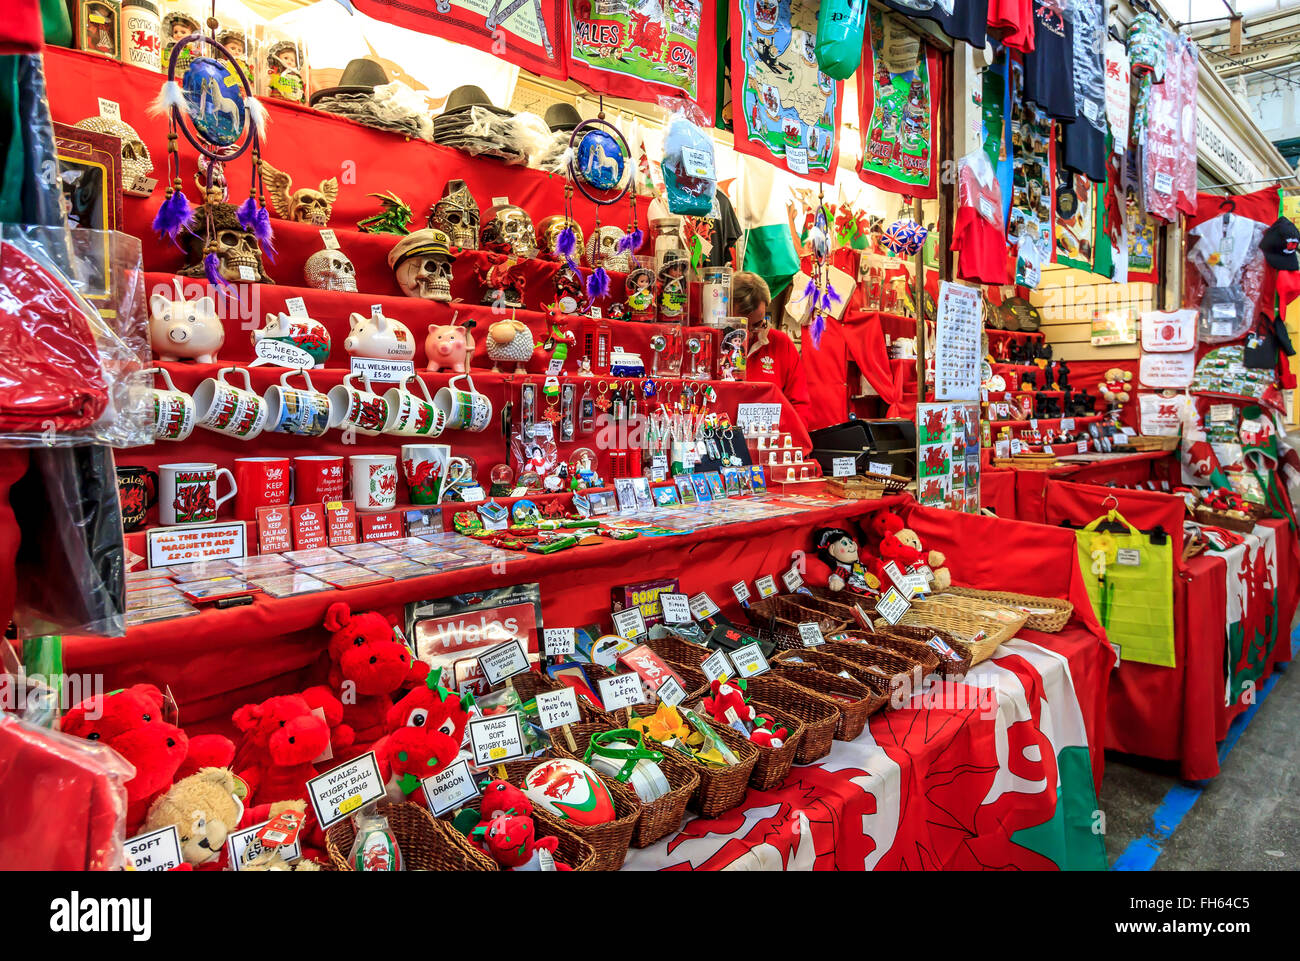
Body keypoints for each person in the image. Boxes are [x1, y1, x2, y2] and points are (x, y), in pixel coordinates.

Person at [732, 271, 812, 427]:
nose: (748, 333)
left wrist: (790, 441)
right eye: (739, 325)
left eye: (757, 324)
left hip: (771, 443)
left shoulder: (781, 344)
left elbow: (799, 405)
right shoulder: (710, 342)